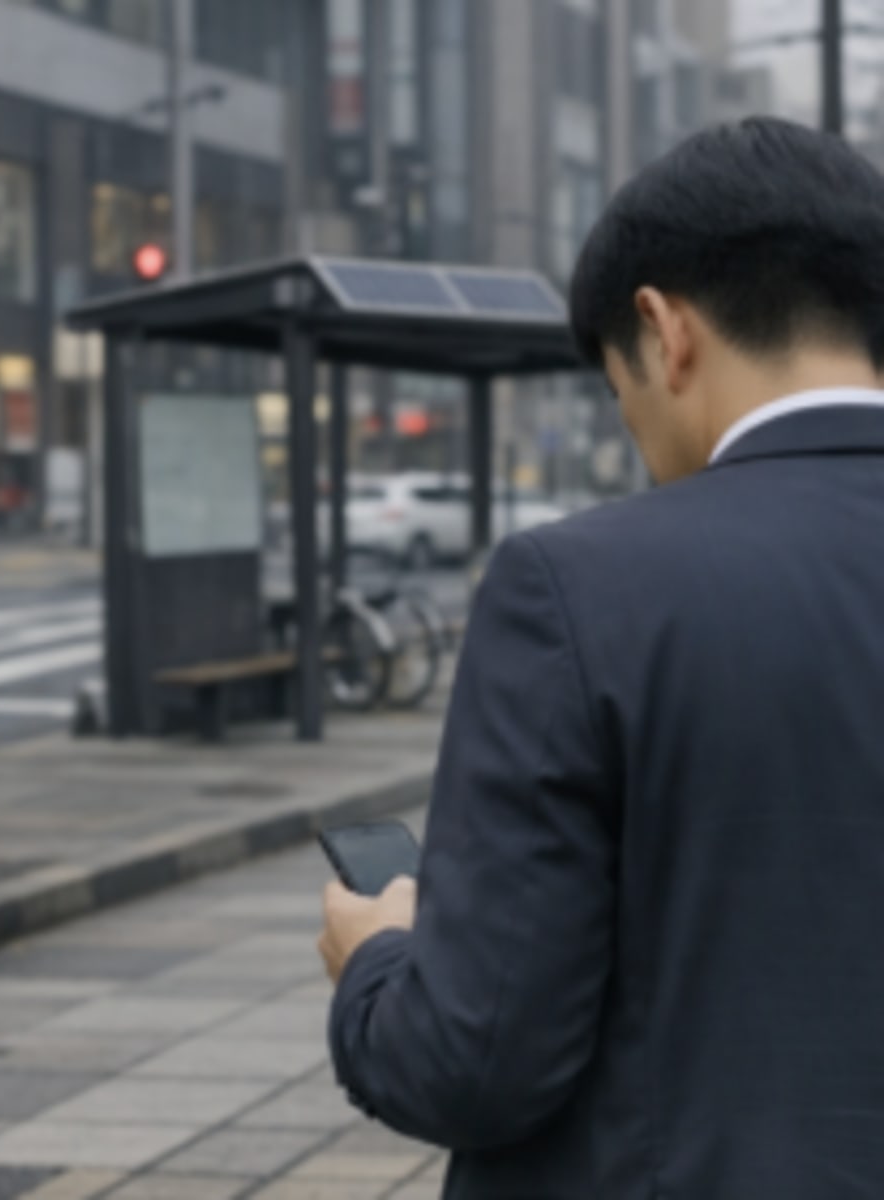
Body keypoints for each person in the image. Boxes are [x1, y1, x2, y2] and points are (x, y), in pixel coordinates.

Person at [320, 117, 884, 1199]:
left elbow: (472, 1062)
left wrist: (379, 959)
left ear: (664, 331)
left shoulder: (581, 587)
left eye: (621, 401)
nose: (639, 439)